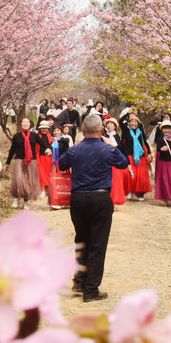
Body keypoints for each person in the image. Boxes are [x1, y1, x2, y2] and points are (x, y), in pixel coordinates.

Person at [58, 113, 129, 302]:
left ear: (82, 130)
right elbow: (124, 163)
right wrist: (111, 144)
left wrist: (74, 146)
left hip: (78, 199)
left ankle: (79, 283)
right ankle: (91, 289)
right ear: (101, 130)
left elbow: (61, 164)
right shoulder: (108, 150)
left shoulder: (75, 150)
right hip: (100, 198)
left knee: (81, 240)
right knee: (98, 243)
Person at [4, 117, 40, 209]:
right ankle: (16, 199)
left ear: (30, 124)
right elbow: (12, 150)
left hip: (31, 161)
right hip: (19, 160)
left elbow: (44, 144)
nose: (25, 123)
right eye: (23, 122)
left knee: (28, 182)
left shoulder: (34, 135)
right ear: (20, 125)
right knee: (18, 180)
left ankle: (26, 202)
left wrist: (49, 149)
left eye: (27, 122)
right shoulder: (17, 136)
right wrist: (8, 162)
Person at [120, 113, 151, 201]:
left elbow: (144, 142)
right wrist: (128, 113)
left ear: (138, 123)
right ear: (129, 123)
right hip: (130, 154)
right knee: (130, 174)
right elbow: (120, 121)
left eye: (135, 122)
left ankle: (140, 193)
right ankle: (131, 190)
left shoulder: (140, 132)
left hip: (140, 155)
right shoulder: (126, 131)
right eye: (132, 122)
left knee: (141, 175)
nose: (134, 124)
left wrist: (148, 153)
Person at [102, 118, 128, 206]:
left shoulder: (119, 137)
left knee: (115, 182)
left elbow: (124, 150)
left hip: (115, 162)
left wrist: (127, 162)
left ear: (115, 126)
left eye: (112, 124)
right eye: (108, 124)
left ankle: (113, 201)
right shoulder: (103, 136)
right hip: (105, 162)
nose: (109, 125)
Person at [35, 120, 54, 197]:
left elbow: (53, 147)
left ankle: (47, 189)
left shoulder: (51, 137)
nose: (44, 129)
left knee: (47, 174)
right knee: (41, 174)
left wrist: (51, 151)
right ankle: (42, 189)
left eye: (45, 128)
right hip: (39, 157)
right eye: (42, 128)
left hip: (48, 158)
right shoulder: (37, 136)